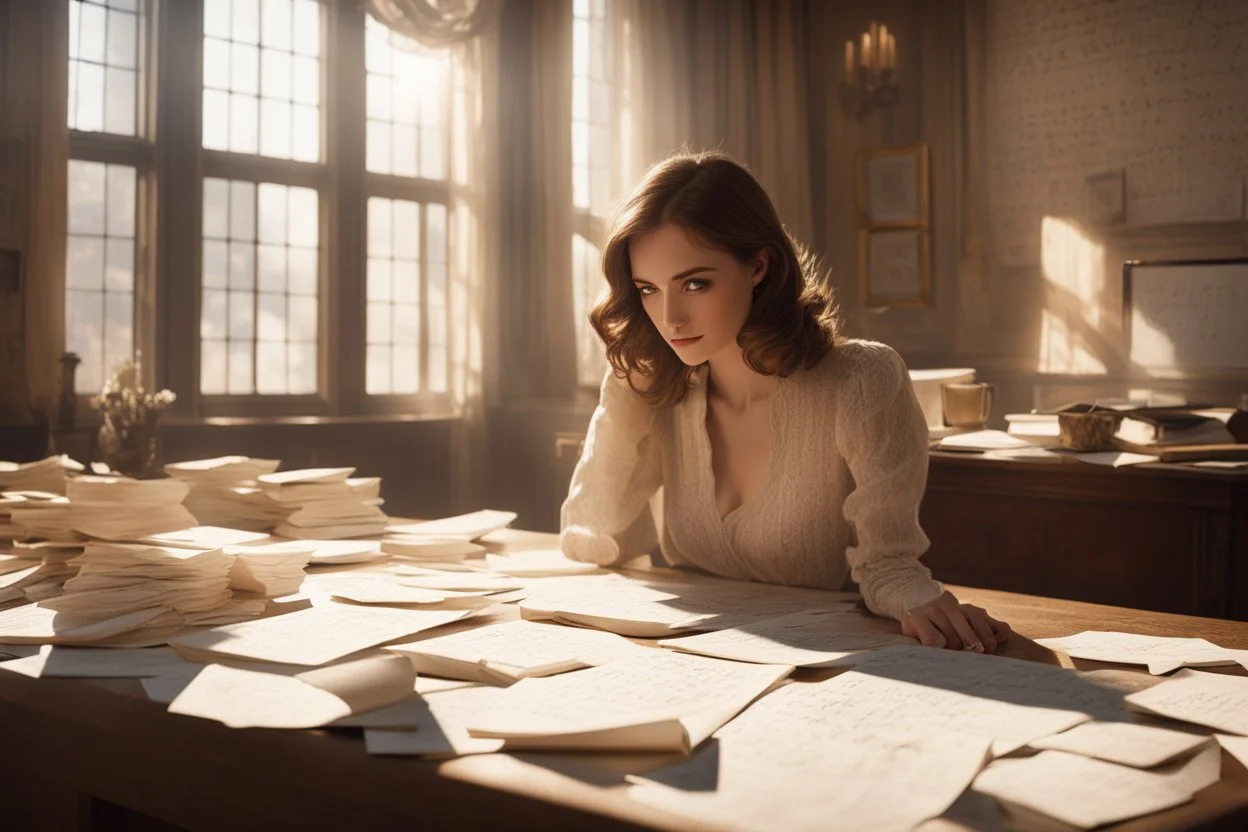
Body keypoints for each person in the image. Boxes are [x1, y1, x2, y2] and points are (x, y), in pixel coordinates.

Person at [559, 149, 1011, 653]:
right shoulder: (660, 387)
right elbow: (591, 535)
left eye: (694, 283)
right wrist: (625, 388)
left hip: (825, 667)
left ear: (758, 265)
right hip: (687, 660)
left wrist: (921, 601)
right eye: (647, 289)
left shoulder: (860, 380)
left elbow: (889, 562)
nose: (670, 319)